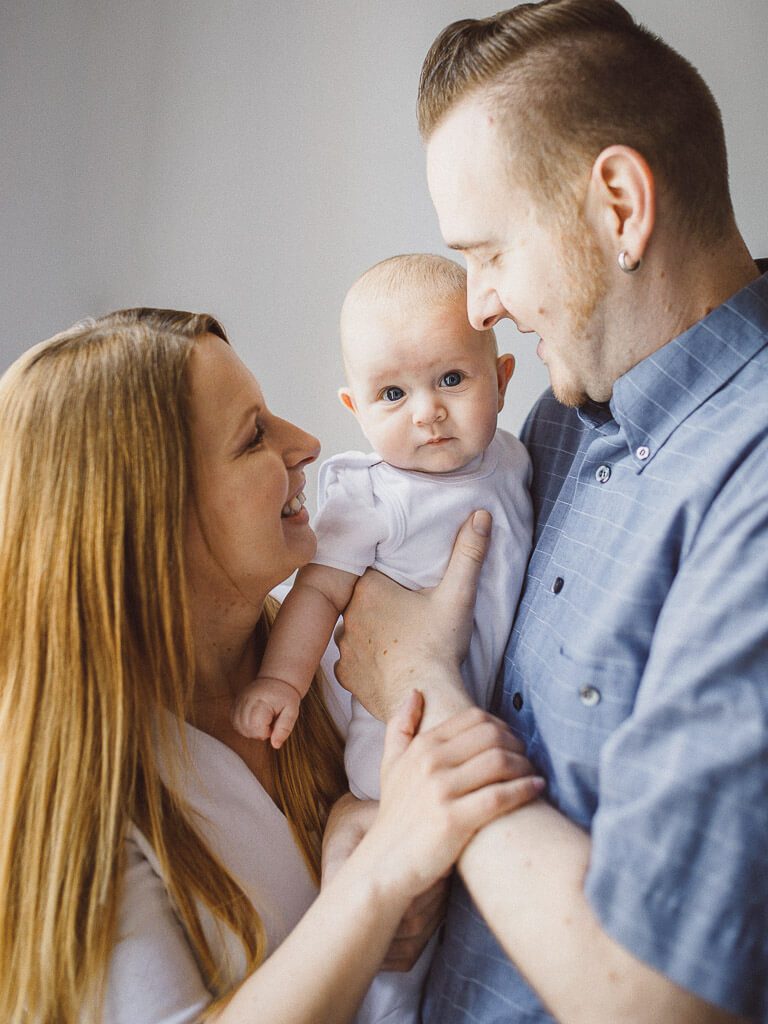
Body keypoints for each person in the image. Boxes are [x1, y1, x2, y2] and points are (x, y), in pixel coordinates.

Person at [332, 2, 768, 1022]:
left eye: (487, 252)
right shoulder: (554, 424)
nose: (478, 305)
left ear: (619, 205)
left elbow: (658, 996)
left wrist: (418, 684)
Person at [0, 307, 545, 1024]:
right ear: (149, 515)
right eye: (255, 435)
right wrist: (377, 880)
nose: (308, 443)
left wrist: (358, 811)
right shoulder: (65, 788)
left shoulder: (332, 655)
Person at [232, 254, 534, 1023]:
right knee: (409, 927)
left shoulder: (517, 458)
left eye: (451, 381)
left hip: (478, 700)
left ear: (501, 378)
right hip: (390, 739)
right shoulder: (372, 497)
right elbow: (319, 593)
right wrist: (281, 682)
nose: (426, 412)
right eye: (393, 394)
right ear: (355, 407)